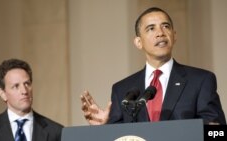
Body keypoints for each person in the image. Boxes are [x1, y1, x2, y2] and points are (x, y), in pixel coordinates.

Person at [81, 7, 226, 125]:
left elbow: (217, 132)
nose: (160, 33)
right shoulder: (122, 90)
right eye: (151, 28)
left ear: (174, 35)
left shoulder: (201, 81)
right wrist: (104, 128)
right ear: (138, 42)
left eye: (166, 26)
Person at [0, 59, 63, 141]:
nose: (24, 91)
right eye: (16, 86)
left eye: (27, 84)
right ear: (2, 94)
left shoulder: (57, 132)